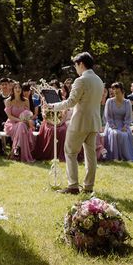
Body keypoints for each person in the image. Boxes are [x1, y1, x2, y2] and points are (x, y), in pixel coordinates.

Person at [46, 52, 104, 194]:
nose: (75, 69)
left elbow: (71, 102)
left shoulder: (81, 80)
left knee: (70, 152)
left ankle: (72, 186)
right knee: (90, 155)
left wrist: (53, 106)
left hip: (80, 122)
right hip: (94, 121)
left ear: (81, 64)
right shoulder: (98, 80)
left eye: (75, 65)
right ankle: (89, 186)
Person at [33, 84, 70, 161]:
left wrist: (60, 123)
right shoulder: (45, 101)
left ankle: (61, 153)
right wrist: (53, 123)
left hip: (60, 122)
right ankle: (50, 154)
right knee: (52, 131)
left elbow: (64, 114)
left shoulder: (63, 101)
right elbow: (44, 116)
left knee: (63, 130)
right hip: (48, 122)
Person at [104, 82, 133, 162]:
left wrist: (125, 126)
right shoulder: (109, 101)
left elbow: (128, 117)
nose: (115, 92)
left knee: (124, 134)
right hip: (111, 124)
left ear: (122, 91)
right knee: (115, 133)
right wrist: (112, 125)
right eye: (114, 90)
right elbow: (108, 116)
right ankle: (115, 156)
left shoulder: (127, 103)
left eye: (117, 90)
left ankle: (125, 156)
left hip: (123, 124)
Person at [3, 82, 35, 162]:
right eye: (16, 88)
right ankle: (18, 148)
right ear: (13, 90)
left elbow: (29, 114)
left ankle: (16, 148)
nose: (18, 89)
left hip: (24, 123)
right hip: (11, 123)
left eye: (19, 88)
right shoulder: (8, 101)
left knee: (22, 126)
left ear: (21, 89)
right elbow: (9, 116)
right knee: (21, 125)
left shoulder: (26, 101)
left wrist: (27, 120)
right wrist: (20, 120)